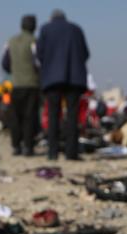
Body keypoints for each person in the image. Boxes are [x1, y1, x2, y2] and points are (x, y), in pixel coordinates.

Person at [36, 10, 89, 161]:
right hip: (74, 78)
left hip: (52, 78)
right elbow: (85, 53)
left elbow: (39, 54)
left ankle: (52, 153)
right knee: (73, 116)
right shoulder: (76, 29)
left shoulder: (45, 29)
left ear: (51, 18)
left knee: (53, 115)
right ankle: (71, 153)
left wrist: (50, 64)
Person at [2, 15, 40, 156]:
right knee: (29, 116)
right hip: (31, 84)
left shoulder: (11, 41)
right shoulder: (34, 41)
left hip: (15, 84)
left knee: (15, 116)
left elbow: (5, 64)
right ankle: (28, 147)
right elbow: (38, 62)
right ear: (34, 26)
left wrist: (16, 72)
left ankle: (16, 146)